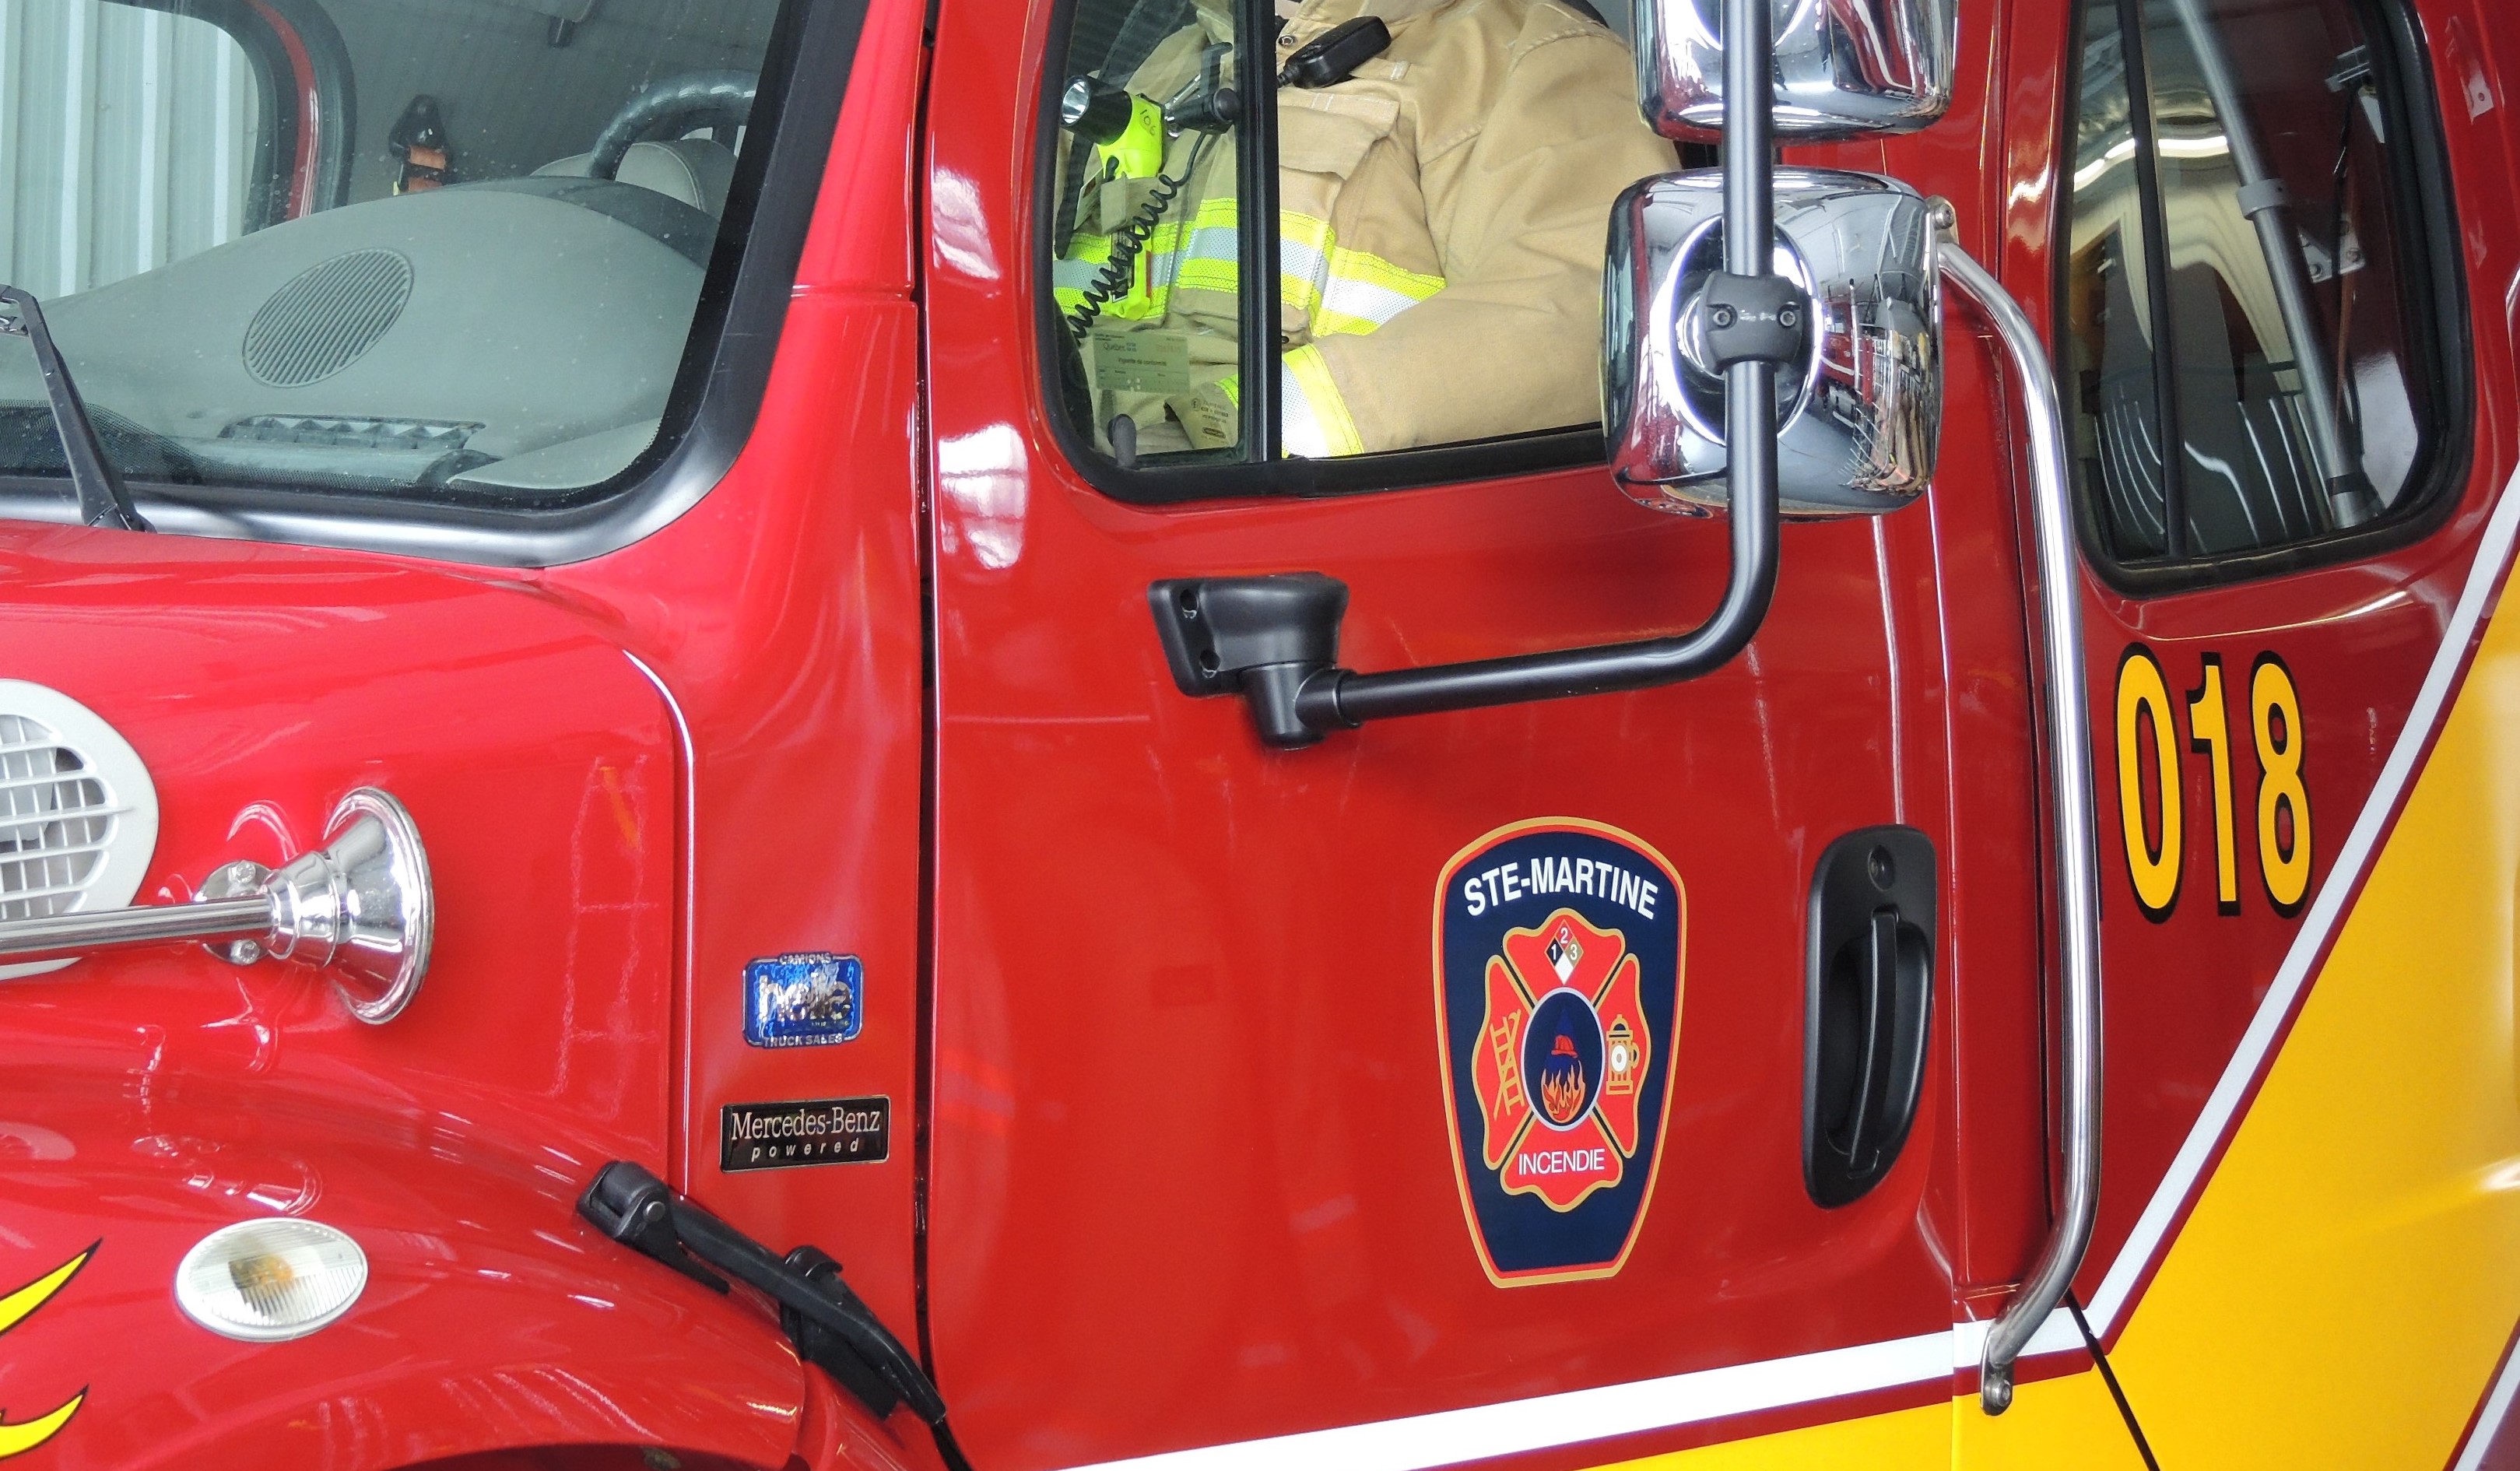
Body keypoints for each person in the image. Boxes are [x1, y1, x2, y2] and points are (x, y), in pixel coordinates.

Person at [1052, 0, 1677, 458]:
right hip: (1076, 488)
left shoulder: (1523, 53)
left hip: (1307, 541)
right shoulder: (1168, 58)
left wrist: (1248, 428)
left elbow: (1590, 314)